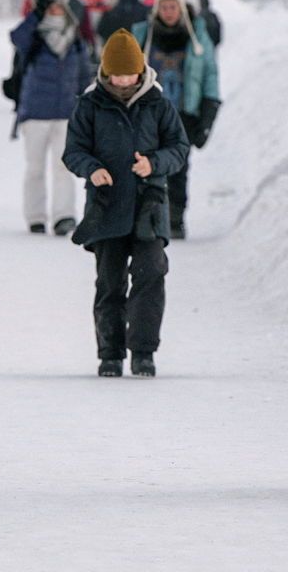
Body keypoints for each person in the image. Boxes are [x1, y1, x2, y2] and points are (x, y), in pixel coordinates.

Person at [62, 29, 189, 378]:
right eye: (115, 74)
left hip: (150, 206)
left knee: (151, 277)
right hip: (106, 208)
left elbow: (179, 149)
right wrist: (93, 169)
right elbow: (72, 151)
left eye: (128, 73)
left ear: (140, 70)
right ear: (105, 72)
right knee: (109, 283)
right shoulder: (89, 104)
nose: (121, 80)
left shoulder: (159, 103)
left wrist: (154, 164)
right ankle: (110, 354)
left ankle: (144, 353)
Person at [131, 0, 220, 239]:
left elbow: (210, 75)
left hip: (183, 114)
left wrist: (208, 112)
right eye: (164, 7)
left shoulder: (198, 37)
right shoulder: (142, 35)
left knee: (179, 168)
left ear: (181, 8)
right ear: (157, 9)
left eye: (173, 7)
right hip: (148, 114)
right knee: (145, 164)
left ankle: (175, 218)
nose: (169, 12)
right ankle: (148, 216)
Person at [9, 0, 93, 236]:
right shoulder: (33, 36)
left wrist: (83, 108)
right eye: (51, 5)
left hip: (66, 114)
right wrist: (36, 13)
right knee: (35, 167)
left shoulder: (74, 39)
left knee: (64, 167)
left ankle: (64, 216)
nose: (55, 10)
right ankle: (35, 216)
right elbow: (16, 37)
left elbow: (83, 76)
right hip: (35, 113)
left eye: (59, 5)